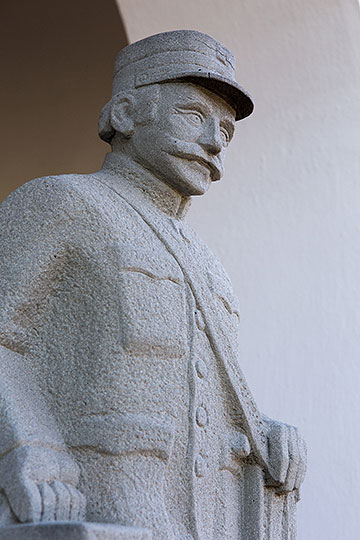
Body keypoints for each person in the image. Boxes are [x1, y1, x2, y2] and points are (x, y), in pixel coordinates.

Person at [0, 30, 306, 539]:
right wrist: (26, 445)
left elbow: (206, 395)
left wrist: (263, 436)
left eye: (226, 133)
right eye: (192, 116)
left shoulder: (209, 264)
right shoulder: (61, 202)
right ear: (124, 114)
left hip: (207, 518)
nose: (213, 142)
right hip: (97, 503)